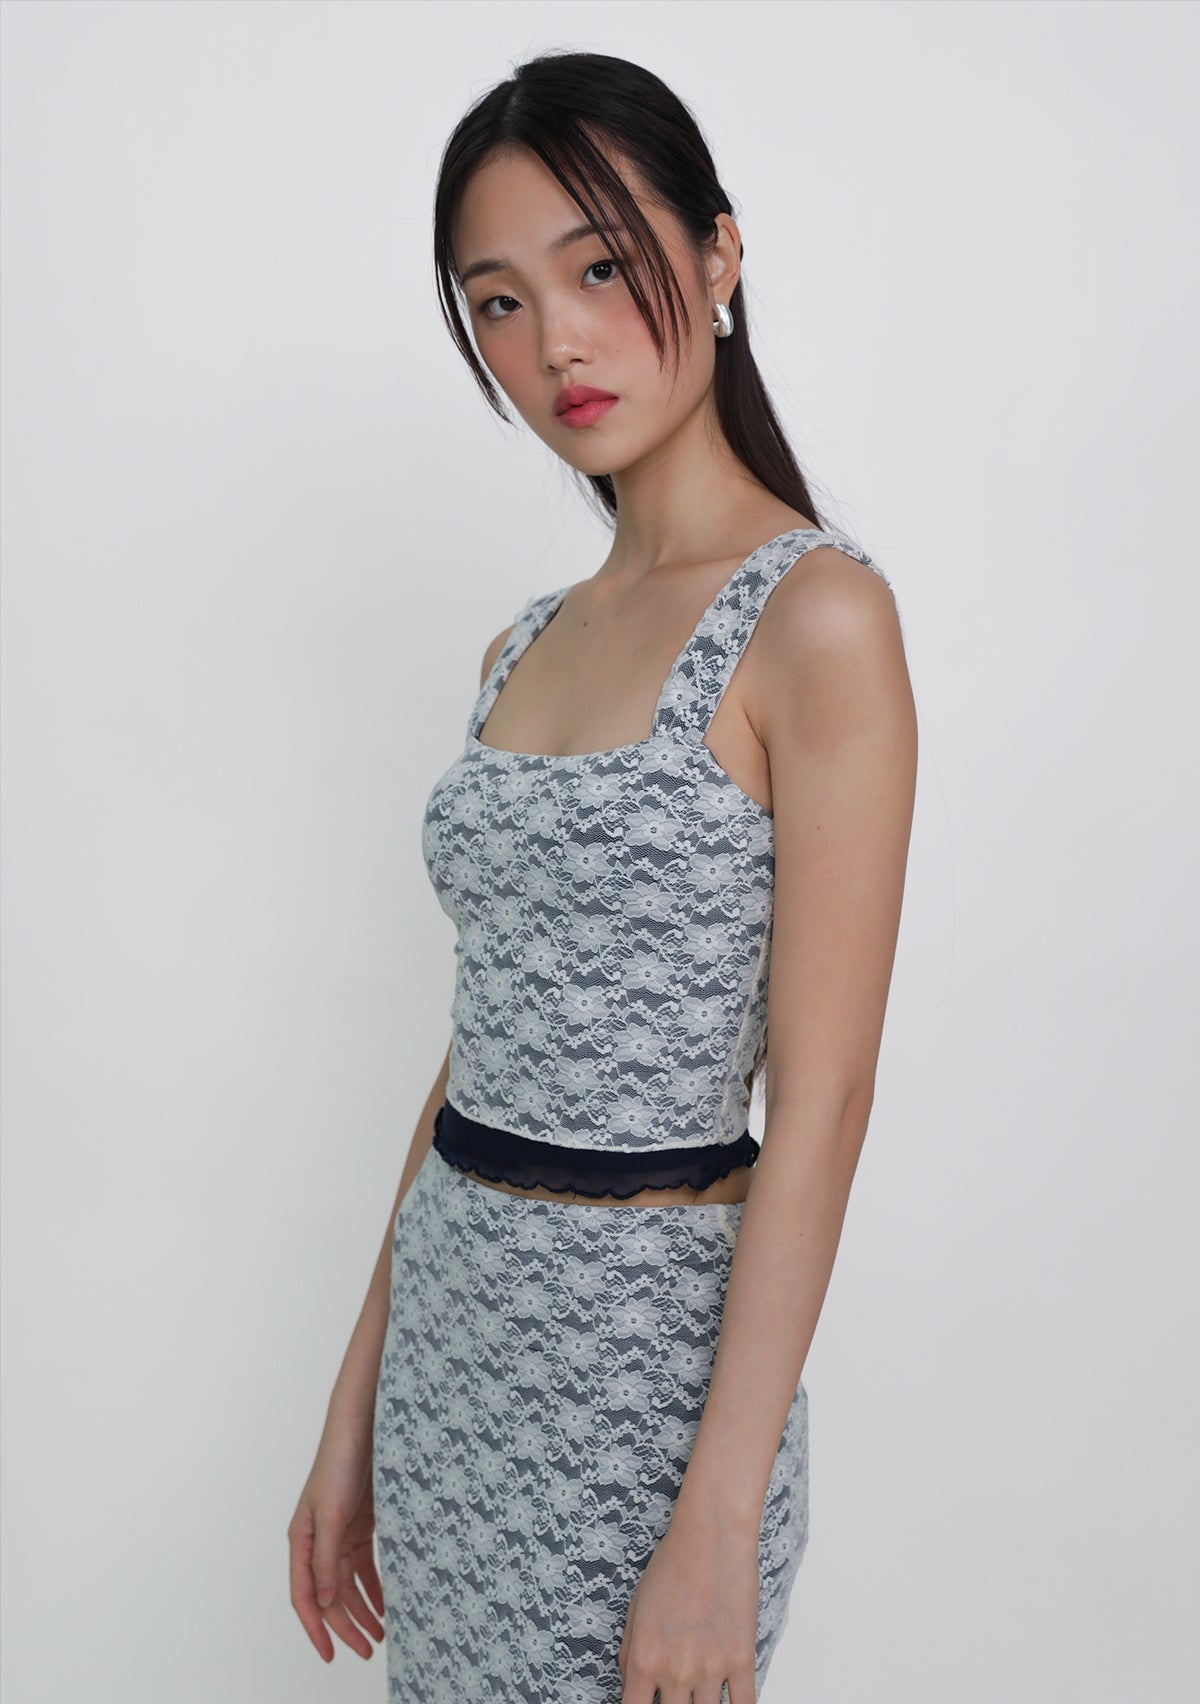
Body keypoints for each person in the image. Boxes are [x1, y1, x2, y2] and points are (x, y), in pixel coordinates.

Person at [288, 48, 917, 1703]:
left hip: (646, 1396)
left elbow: (827, 1100)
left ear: (718, 254)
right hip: (454, 1353)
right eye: (496, 302)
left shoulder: (817, 619)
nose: (554, 343)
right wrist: (354, 1407)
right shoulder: (522, 645)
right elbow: (477, 1060)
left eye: (597, 267)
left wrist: (718, 1519)